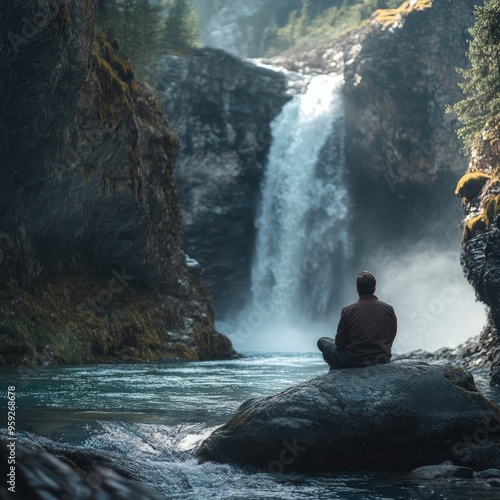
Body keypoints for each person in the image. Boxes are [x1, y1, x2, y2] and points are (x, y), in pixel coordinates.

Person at [317, 271, 397, 370]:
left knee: (322, 341)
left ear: (357, 289)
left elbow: (339, 342)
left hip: (354, 361)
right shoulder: (388, 309)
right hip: (382, 360)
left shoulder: (348, 310)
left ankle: (338, 371)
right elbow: (392, 335)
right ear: (374, 289)